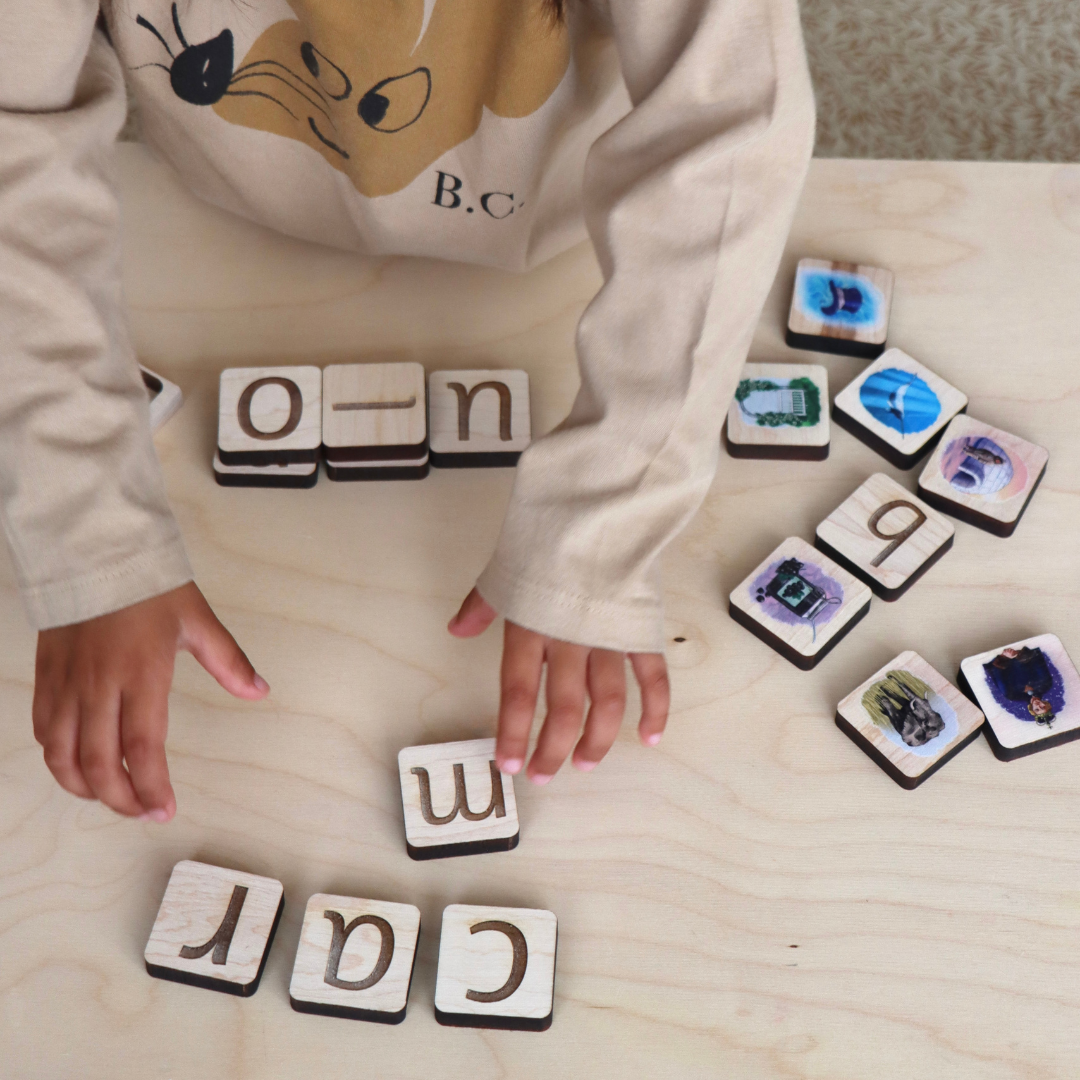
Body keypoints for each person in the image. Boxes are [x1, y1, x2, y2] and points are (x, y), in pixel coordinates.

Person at [1, 0, 815, 820]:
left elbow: (729, 123)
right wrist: (87, 536)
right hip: (218, 224)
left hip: (570, 241)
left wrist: (607, 515)